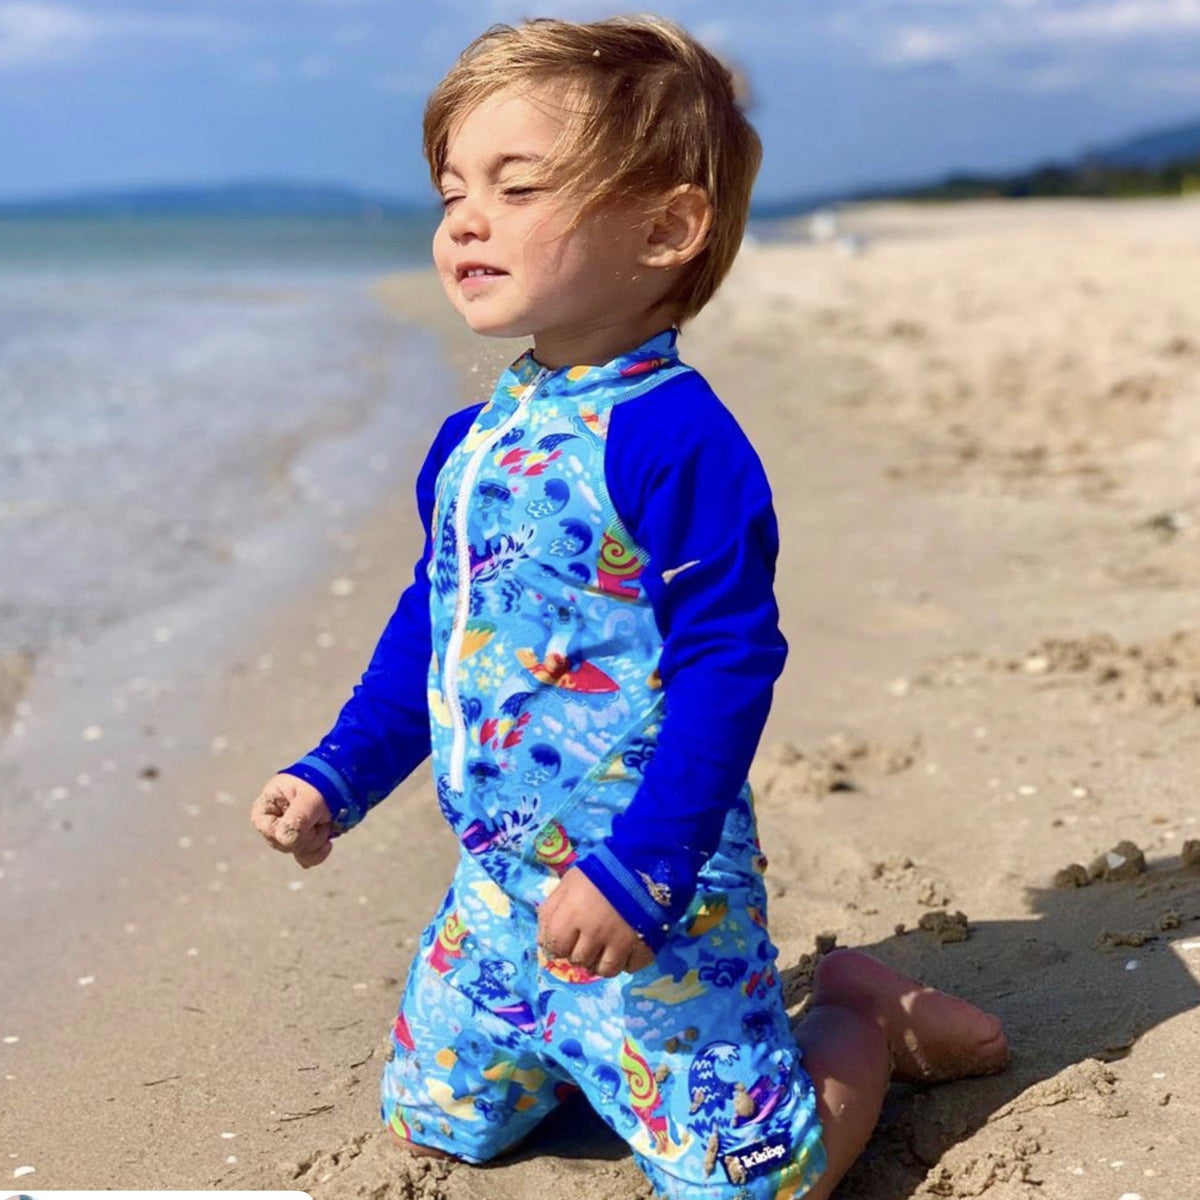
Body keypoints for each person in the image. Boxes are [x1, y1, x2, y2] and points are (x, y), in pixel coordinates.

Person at [250, 16, 1009, 1199]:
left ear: (665, 229)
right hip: (498, 897)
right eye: (453, 191)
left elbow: (728, 662)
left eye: (516, 187)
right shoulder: (470, 443)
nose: (465, 220)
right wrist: (337, 772)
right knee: (432, 1127)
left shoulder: (675, 441)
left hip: (652, 895)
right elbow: (436, 633)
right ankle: (563, 1058)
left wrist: (646, 871)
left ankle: (860, 1018)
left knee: (760, 1183)